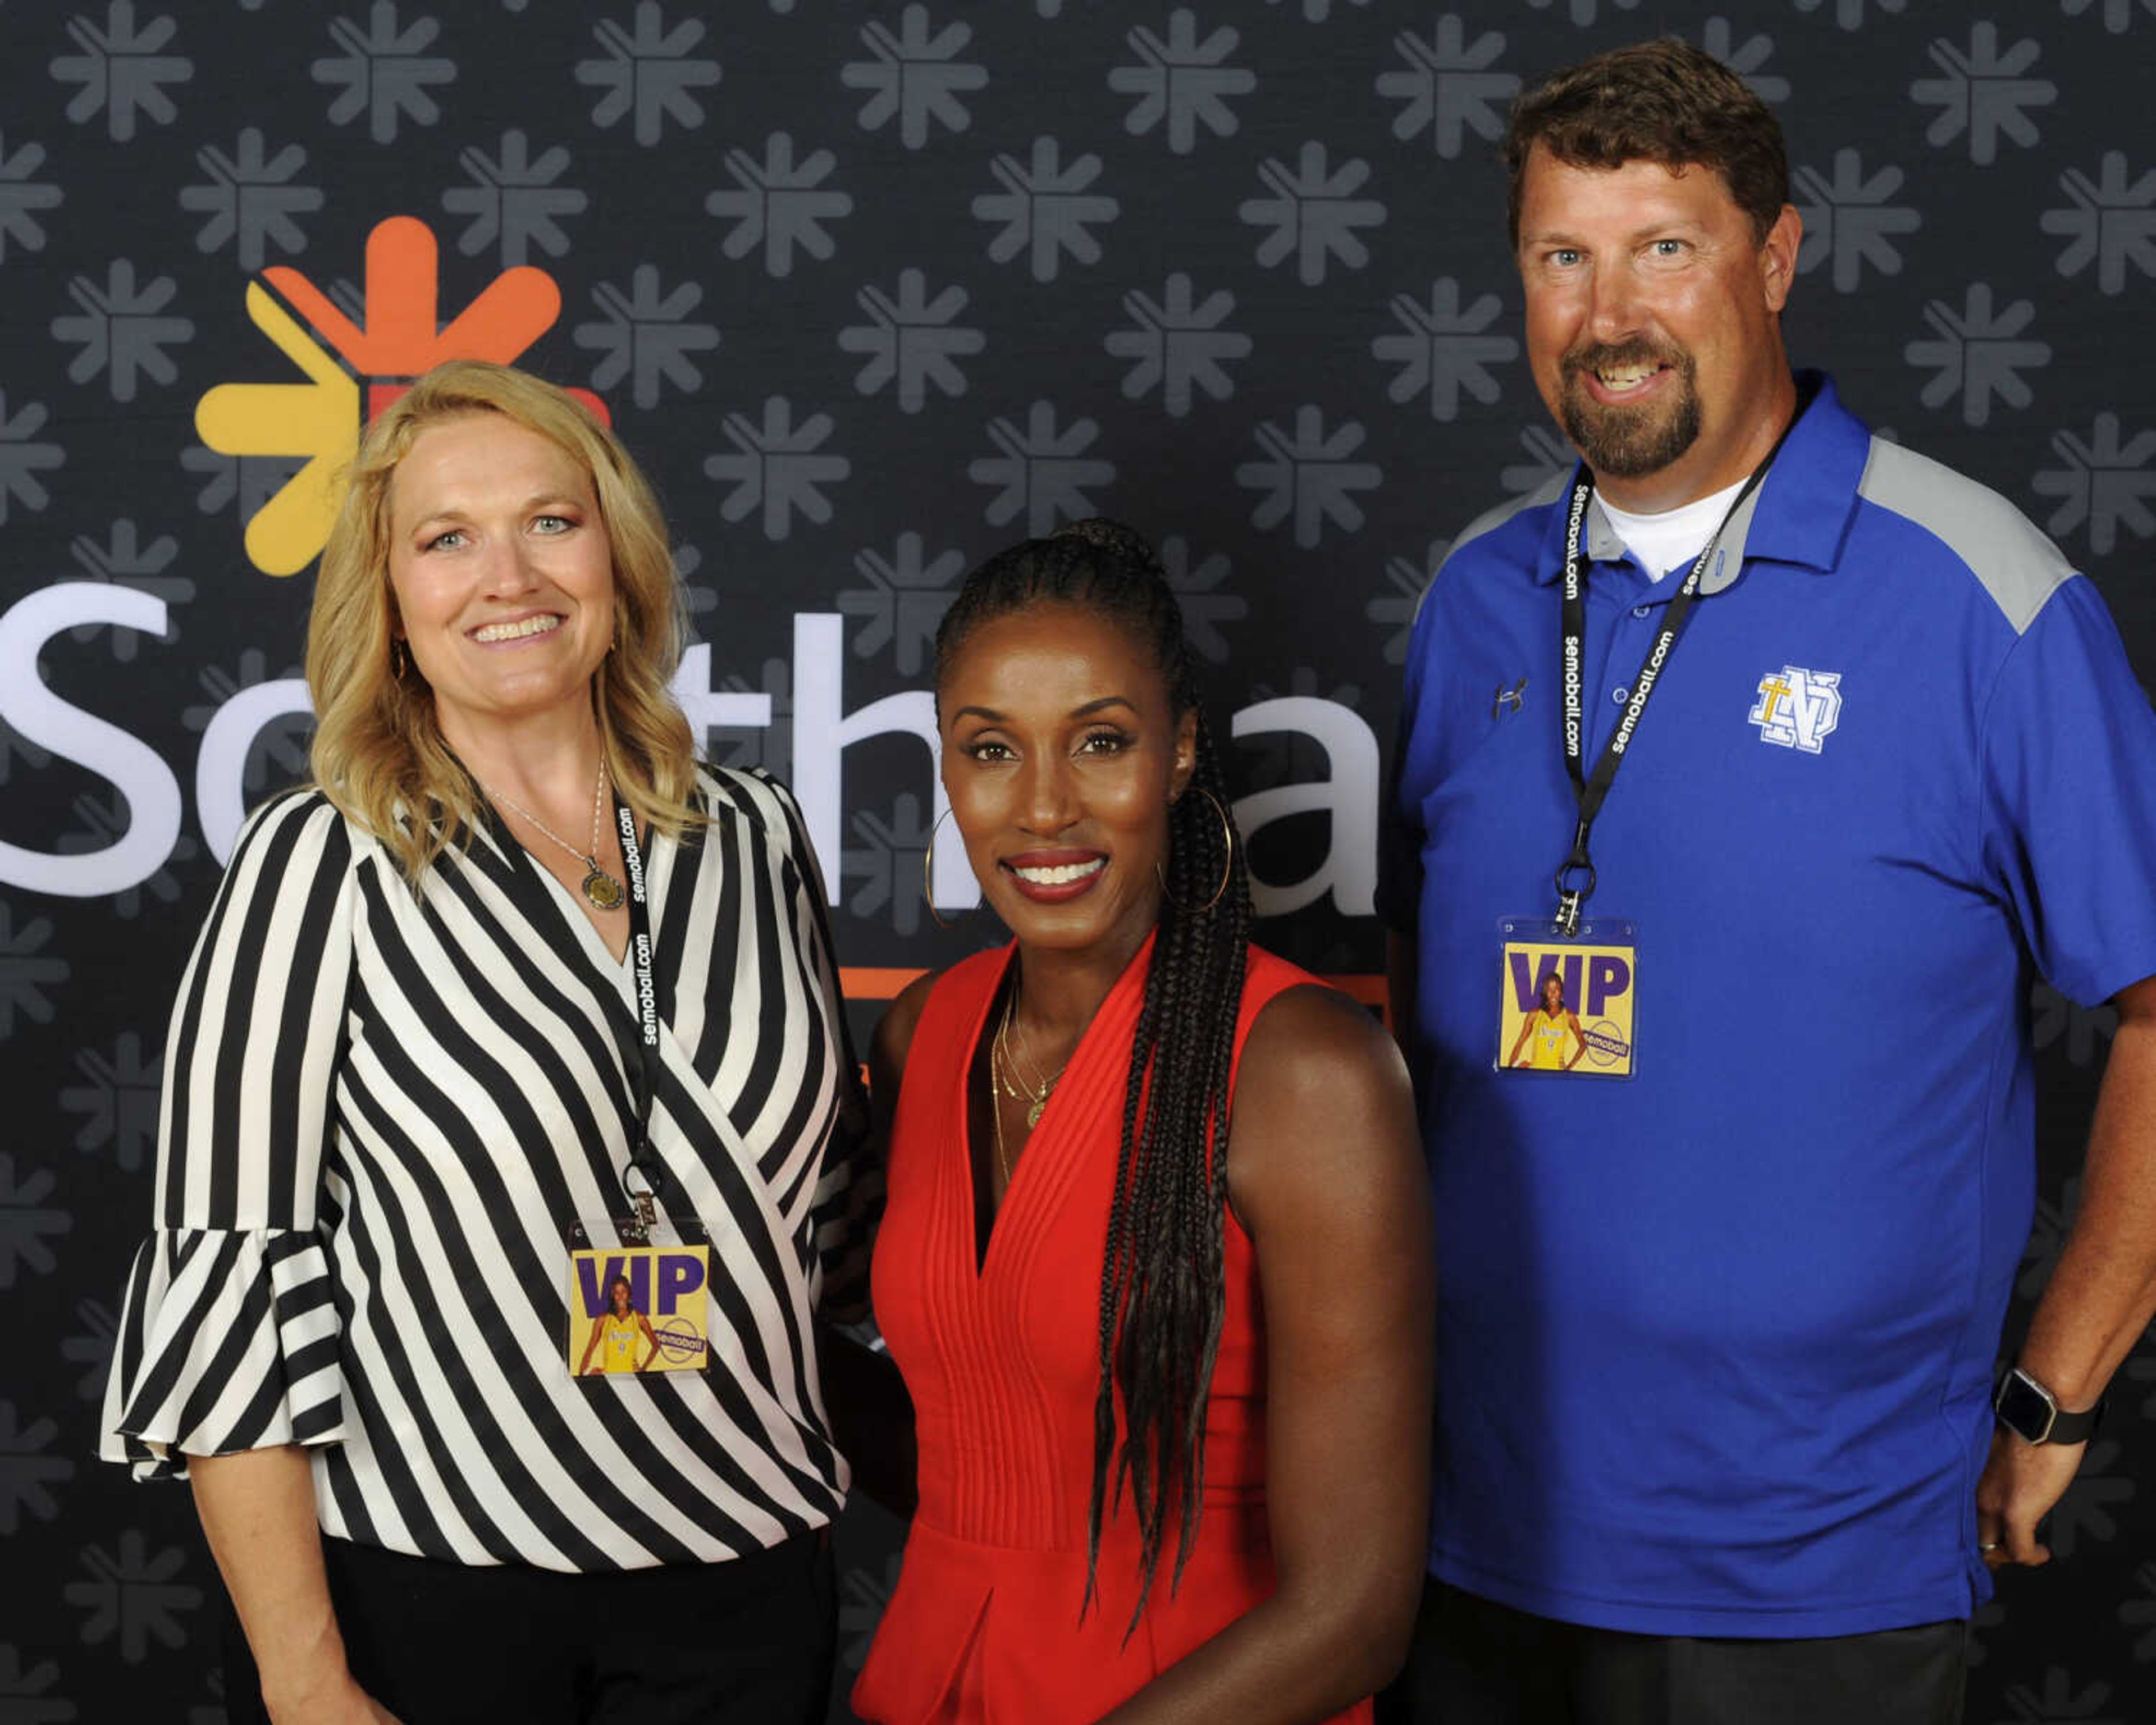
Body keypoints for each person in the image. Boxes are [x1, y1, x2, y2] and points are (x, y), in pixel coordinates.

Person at [1378, 38, 2156, 1725]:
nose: (1606, 313)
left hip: (1819, 1570)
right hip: (1468, 1545)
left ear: (1775, 258)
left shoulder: (1976, 596)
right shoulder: (1474, 605)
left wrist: (2051, 1391)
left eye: (1663, 248)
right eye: (1556, 256)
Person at [101, 360, 861, 1724]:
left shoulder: (754, 835)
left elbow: (826, 1216)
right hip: (429, 1600)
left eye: (549, 522)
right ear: (390, 599)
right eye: (447, 539)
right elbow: (229, 1292)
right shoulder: (317, 859)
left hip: (746, 1587)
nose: (506, 574)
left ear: (617, 559)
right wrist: (305, 1678)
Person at [849, 521, 1433, 1724]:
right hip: (927, 1688)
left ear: (1176, 756)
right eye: (992, 751)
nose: (1046, 807)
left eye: (1101, 743)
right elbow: (972, 1438)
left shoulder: (1305, 1072)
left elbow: (1359, 1611)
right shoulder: (926, 1033)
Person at [579, 1278, 659, 1376]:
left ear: (629, 1293)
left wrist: (643, 1369)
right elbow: (590, 1348)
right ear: (613, 1296)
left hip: (632, 1377)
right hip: (610, 1377)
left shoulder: (639, 1318)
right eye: (617, 1293)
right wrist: (583, 1373)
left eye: (623, 1291)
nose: (621, 1296)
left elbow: (656, 1345)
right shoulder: (603, 1320)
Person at [1508, 973, 1583, 1071]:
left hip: (1558, 1074)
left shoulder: (1569, 1017)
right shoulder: (1534, 1015)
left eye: (1556, 989)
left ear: (1561, 992)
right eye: (1549, 989)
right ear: (1545, 992)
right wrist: (1513, 1067)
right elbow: (1520, 1043)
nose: (1553, 993)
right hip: (1536, 1072)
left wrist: (1569, 1068)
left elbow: (1583, 1045)